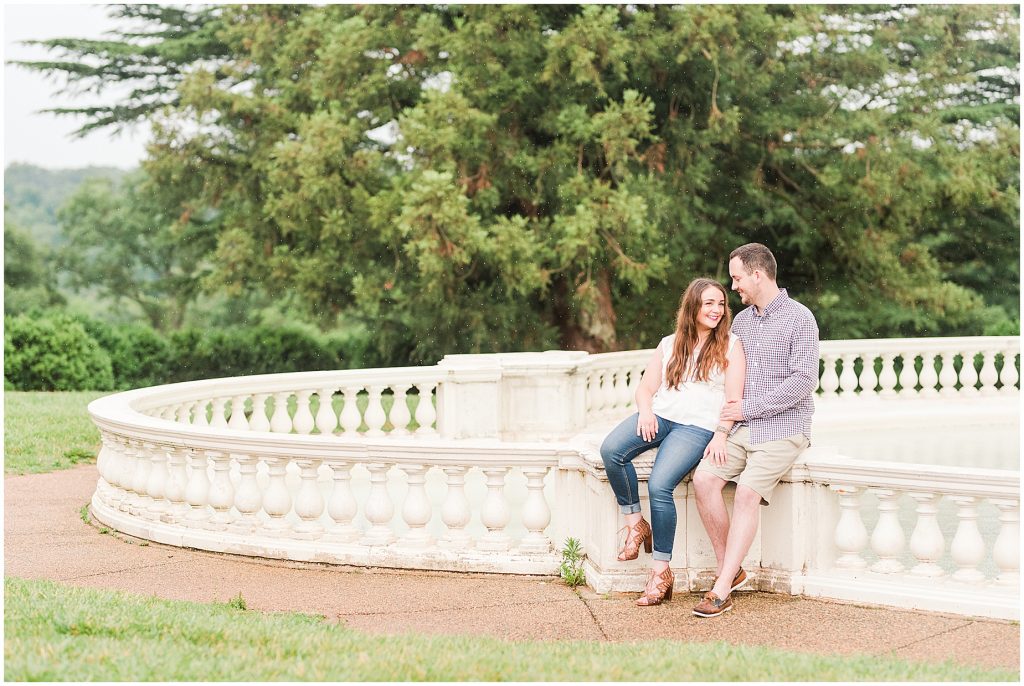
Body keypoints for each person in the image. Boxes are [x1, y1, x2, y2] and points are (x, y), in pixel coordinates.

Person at [600, 277, 745, 606]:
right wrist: (646, 411)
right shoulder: (669, 343)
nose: (716, 310)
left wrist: (721, 434)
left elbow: (733, 400)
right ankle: (636, 523)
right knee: (612, 450)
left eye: (721, 304)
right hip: (661, 416)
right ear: (693, 306)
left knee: (660, 485)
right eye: (709, 303)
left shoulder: (732, 346)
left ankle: (660, 571)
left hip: (696, 428)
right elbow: (644, 388)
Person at [691, 243, 819, 618]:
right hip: (743, 428)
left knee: (746, 493)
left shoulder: (800, 318)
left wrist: (750, 408)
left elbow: (803, 381)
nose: (734, 287)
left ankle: (720, 589)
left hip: (786, 427)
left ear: (758, 275)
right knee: (703, 479)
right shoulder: (743, 323)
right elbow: (733, 384)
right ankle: (731, 572)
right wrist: (722, 428)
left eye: (737, 278)